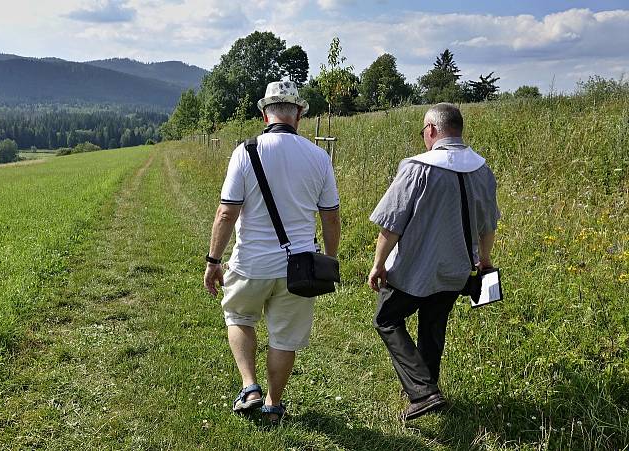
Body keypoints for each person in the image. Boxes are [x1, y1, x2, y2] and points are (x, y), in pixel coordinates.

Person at [203, 81, 341, 424]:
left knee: (238, 317)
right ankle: (273, 404)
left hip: (251, 262)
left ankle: (249, 386)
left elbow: (226, 212)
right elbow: (331, 216)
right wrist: (329, 257)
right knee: (284, 337)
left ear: (265, 113)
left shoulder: (245, 152)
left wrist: (213, 260)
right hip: (300, 267)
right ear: (299, 115)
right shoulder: (319, 156)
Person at [367, 103, 500, 421]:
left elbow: (392, 223)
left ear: (431, 130)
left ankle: (423, 392)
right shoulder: (481, 169)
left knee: (386, 319)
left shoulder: (418, 167)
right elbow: (488, 225)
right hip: (456, 271)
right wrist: (484, 261)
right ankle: (428, 392)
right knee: (433, 326)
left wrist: (378, 264)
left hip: (414, 269)